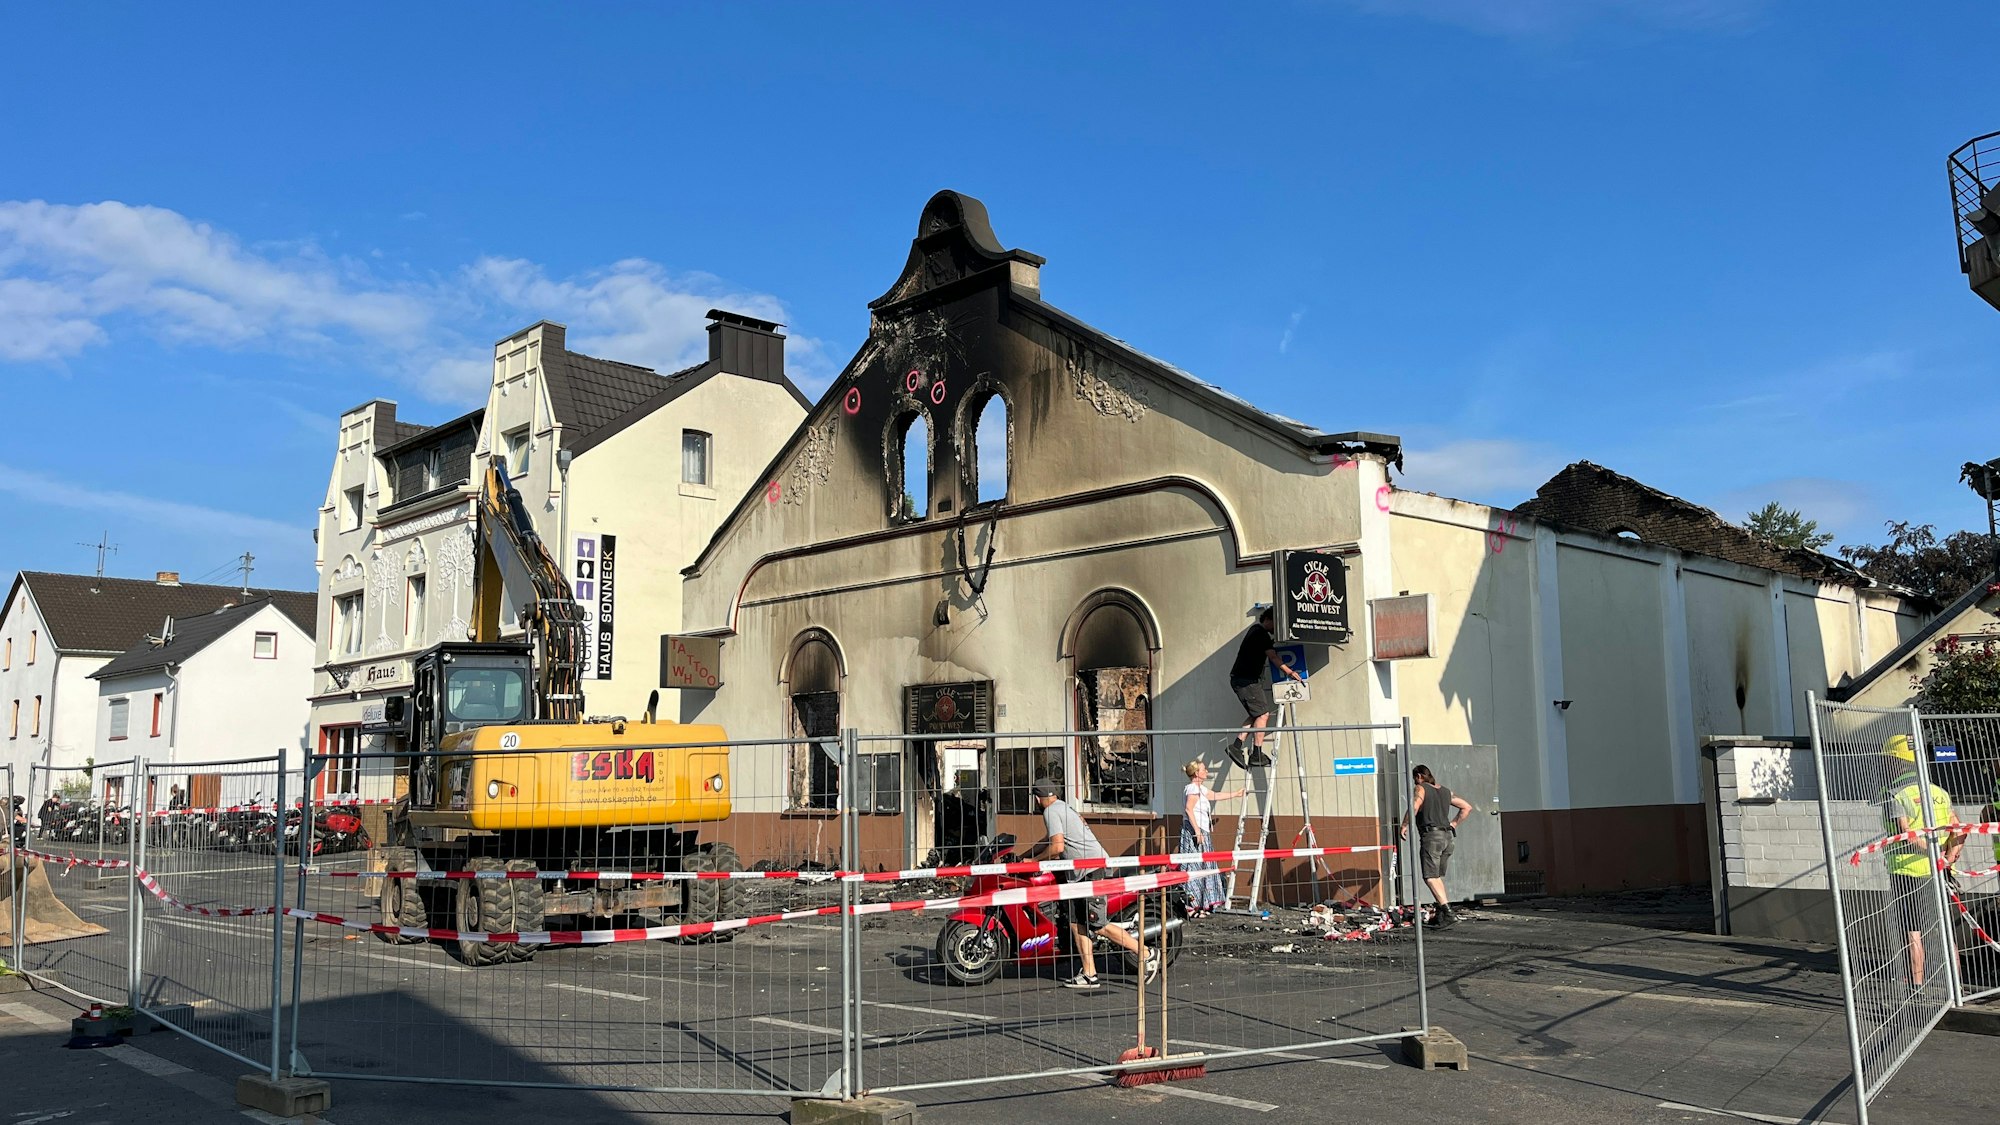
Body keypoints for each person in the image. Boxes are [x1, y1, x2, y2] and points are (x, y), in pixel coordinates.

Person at [1022, 778, 1155, 990]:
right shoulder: (1063, 807)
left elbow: (1056, 847)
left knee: (1096, 924)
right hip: (1078, 874)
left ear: (1038, 798)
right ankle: (1089, 974)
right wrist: (1026, 856)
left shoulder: (1050, 812)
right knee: (1077, 924)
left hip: (1092, 871)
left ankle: (1146, 953)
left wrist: (1035, 861)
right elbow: (1050, 840)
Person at [1879, 734, 1964, 991]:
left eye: (1888, 760)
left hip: (1907, 872)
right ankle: (1956, 987)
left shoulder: (1893, 794)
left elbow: (1906, 833)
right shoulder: (1938, 791)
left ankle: (1916, 988)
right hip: (1939, 872)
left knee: (1912, 932)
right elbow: (1958, 828)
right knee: (1945, 929)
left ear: (1896, 761)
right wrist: (1947, 857)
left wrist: (1931, 853)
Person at [1225, 607, 1305, 769]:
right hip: (1247, 681)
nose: (1276, 629)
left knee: (1256, 714)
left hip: (1244, 680)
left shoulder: (1255, 632)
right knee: (1263, 714)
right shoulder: (1260, 634)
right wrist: (1290, 672)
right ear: (1268, 619)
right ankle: (1256, 753)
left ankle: (1236, 746)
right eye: (1276, 624)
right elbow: (1273, 657)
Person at [1399, 764, 1473, 929]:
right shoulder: (1446, 791)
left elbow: (1414, 806)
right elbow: (1467, 807)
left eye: (1414, 778)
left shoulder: (1421, 788)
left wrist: (1404, 825)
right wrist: (1453, 824)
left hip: (1432, 836)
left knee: (1430, 877)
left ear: (1418, 776)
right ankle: (1441, 913)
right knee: (1437, 876)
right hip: (1447, 837)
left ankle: (1448, 913)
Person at [1180, 760, 1245, 916]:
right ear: (1197, 773)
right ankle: (1191, 904)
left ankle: (1202, 903)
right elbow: (1189, 809)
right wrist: (1197, 831)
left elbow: (1215, 795)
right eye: (1204, 769)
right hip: (1195, 831)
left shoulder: (1200, 789)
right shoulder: (1193, 789)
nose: (1207, 771)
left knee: (1204, 866)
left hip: (1202, 830)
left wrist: (1235, 794)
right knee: (1193, 866)